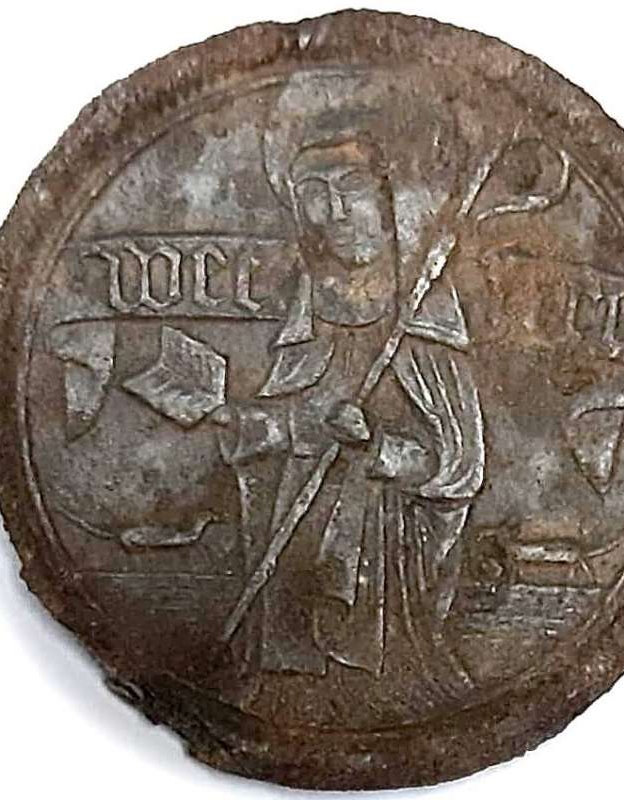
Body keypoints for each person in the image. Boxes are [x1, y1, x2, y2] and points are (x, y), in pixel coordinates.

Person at [214, 71, 484, 688]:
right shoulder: (305, 324)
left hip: (389, 576)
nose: (333, 212)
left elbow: (460, 466)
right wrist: (268, 425)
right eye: (312, 193)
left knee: (377, 690)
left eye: (352, 186)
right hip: (291, 573)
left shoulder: (424, 324)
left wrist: (377, 445)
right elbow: (275, 439)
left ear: (393, 196)